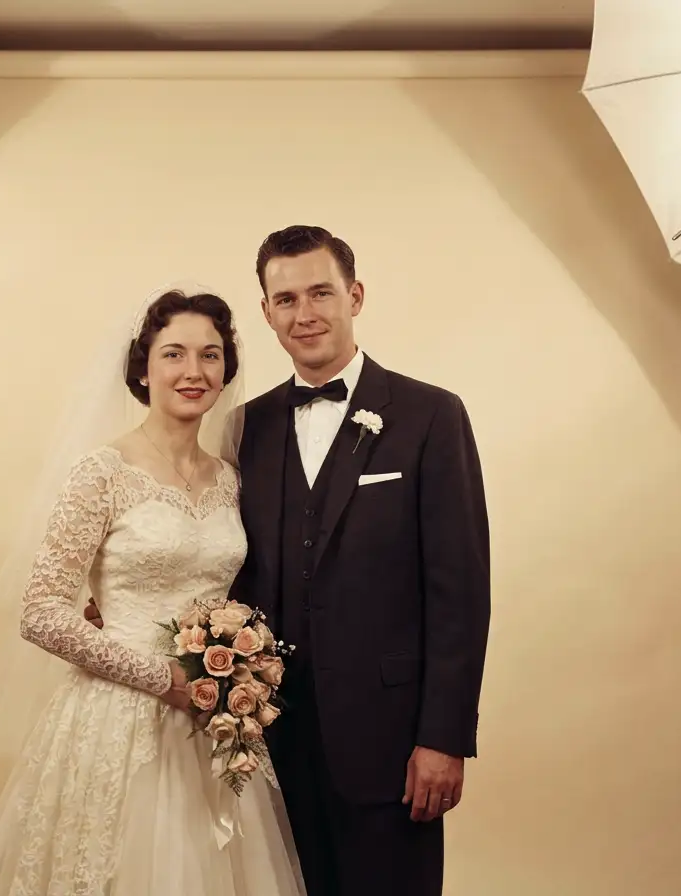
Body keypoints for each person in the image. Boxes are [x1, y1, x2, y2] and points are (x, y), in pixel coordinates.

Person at [85, 226, 491, 895]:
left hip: (391, 742)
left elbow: (461, 592)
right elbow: (221, 561)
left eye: (321, 293)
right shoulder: (246, 426)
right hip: (264, 741)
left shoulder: (430, 417)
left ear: (354, 296)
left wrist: (443, 737)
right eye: (285, 299)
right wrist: (125, 604)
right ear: (268, 313)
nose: (305, 314)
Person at [0, 286, 306, 896]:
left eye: (209, 354)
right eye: (173, 354)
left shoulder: (232, 480)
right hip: (115, 720)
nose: (193, 370)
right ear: (143, 369)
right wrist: (161, 679)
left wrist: (237, 671)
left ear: (226, 369)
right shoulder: (102, 472)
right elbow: (41, 611)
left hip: (214, 720)